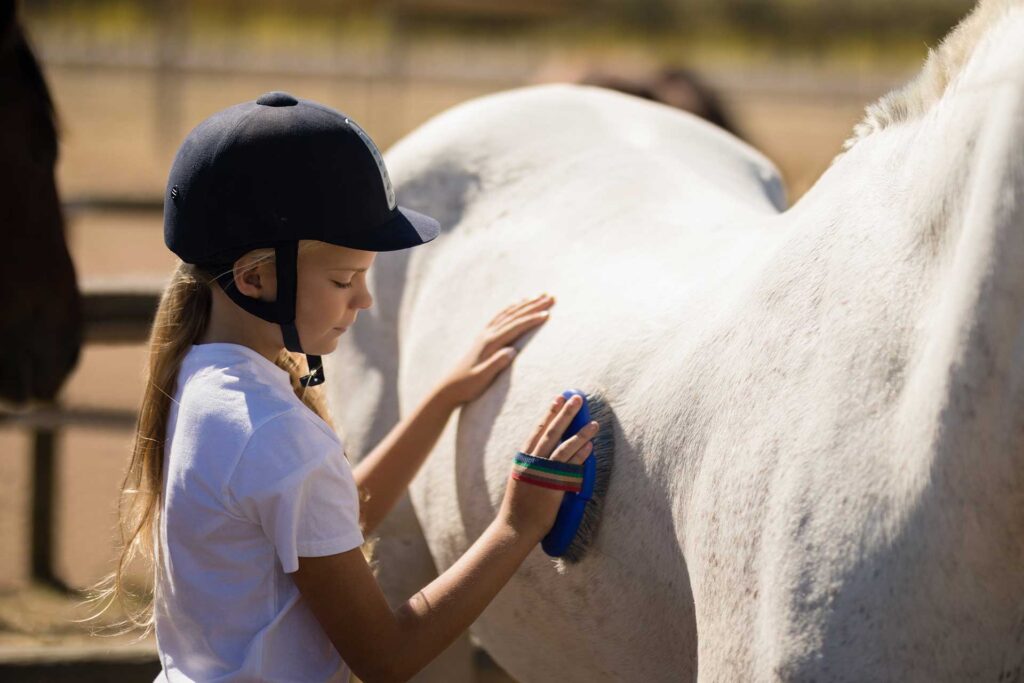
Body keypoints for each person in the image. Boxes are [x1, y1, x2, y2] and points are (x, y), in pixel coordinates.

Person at [92, 91, 600, 682]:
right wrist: (518, 524)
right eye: (344, 279)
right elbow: (385, 656)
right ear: (256, 277)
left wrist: (441, 400)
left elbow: (327, 521)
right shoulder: (275, 431)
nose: (364, 299)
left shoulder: (204, 379)